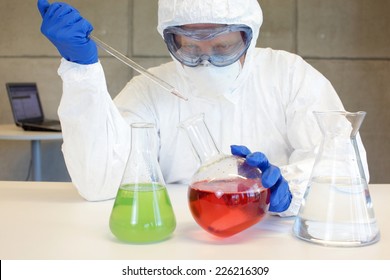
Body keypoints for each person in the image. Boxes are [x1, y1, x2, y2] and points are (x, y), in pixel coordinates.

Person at [37, 0, 368, 217]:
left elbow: (346, 164)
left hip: (275, 244)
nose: (207, 61)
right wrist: (81, 72)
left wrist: (291, 187)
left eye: (224, 46)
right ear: (171, 40)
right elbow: (100, 183)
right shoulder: (150, 89)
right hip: (176, 246)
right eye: (191, 47)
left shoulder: (288, 76)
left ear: (248, 36)